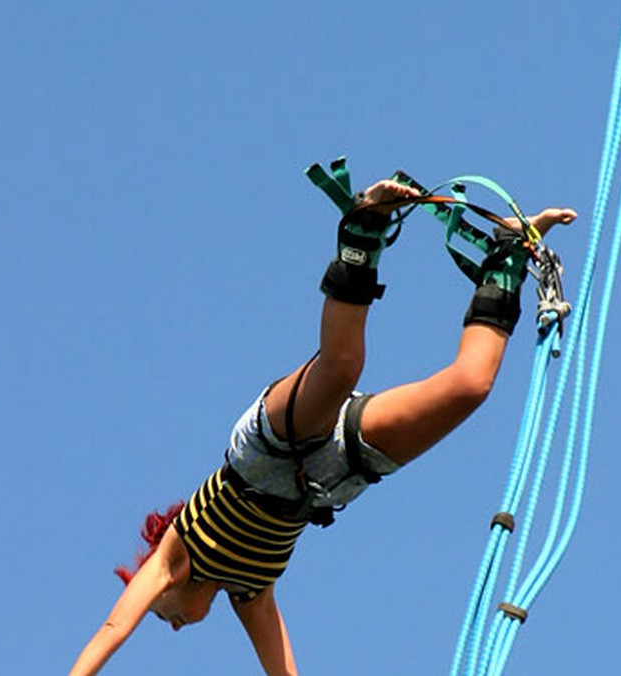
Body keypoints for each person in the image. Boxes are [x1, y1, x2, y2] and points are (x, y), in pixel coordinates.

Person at [68, 175, 577, 676]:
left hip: (266, 452)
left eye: (162, 617)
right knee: (471, 386)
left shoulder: (170, 559)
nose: (175, 627)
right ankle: (506, 255)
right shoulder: (252, 596)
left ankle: (364, 225)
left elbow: (113, 630)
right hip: (331, 473)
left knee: (340, 368)